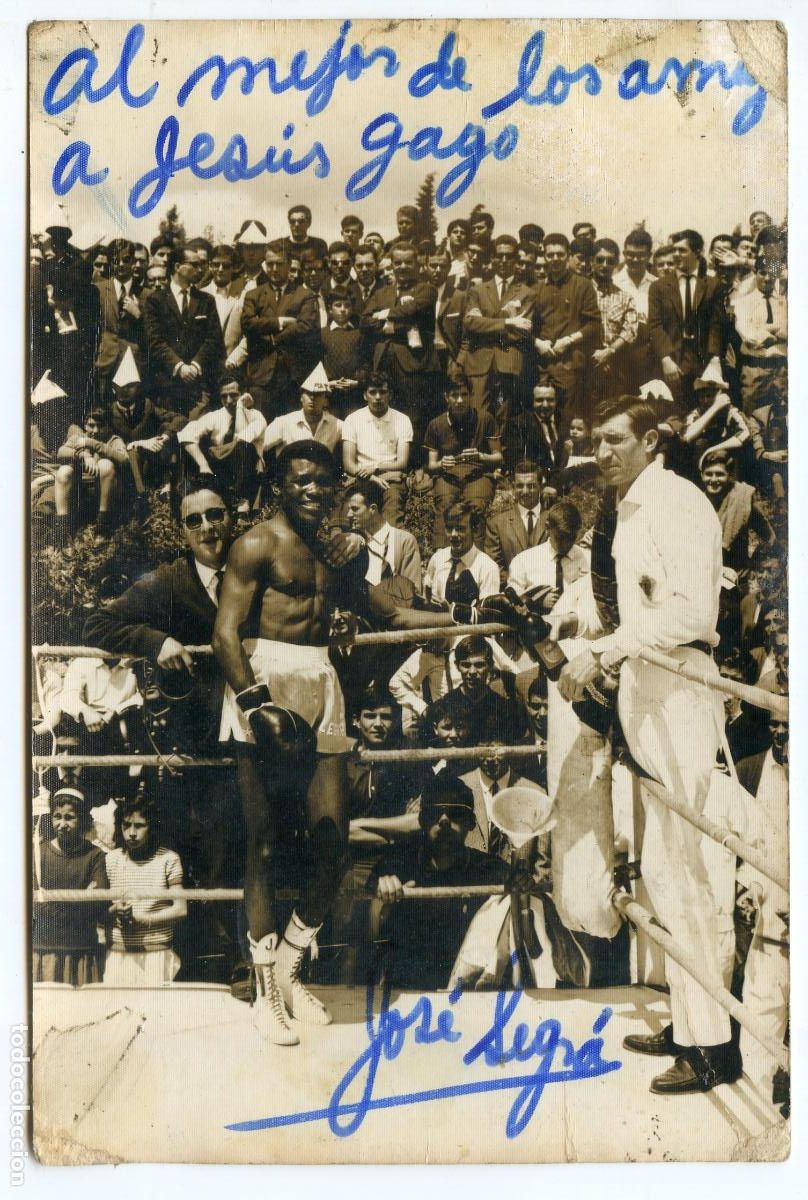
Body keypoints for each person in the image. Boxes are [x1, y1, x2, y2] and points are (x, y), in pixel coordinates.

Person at [554, 394, 740, 1094]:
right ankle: (690, 1021)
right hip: (646, 686)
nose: (601, 453)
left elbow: (692, 612)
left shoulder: (679, 502)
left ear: (651, 441)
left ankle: (713, 1043)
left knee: (690, 866)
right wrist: (599, 643)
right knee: (662, 868)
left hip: (680, 687)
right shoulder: (629, 507)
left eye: (614, 440)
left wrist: (605, 651)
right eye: (596, 441)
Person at [211, 440, 367, 1044]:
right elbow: (225, 634)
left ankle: (289, 967)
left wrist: (467, 616)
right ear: (280, 484)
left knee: (333, 842)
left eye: (322, 482)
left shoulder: (333, 549)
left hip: (321, 682)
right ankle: (265, 991)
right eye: (301, 480)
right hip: (263, 684)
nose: (312, 490)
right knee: (265, 844)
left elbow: (375, 610)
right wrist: (256, 705)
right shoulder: (255, 543)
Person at [367, 772, 506, 990]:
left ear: (471, 822)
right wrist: (382, 900)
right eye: (434, 813)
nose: (444, 821)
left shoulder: (491, 870)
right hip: (407, 992)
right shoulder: (396, 866)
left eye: (455, 813)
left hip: (467, 992)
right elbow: (370, 937)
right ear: (421, 820)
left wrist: (521, 885)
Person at [360, 243, 441, 454]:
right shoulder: (382, 293)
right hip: (383, 364)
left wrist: (384, 316)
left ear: (418, 263)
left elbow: (414, 310)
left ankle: (414, 465)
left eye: (408, 262)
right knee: (385, 416)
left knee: (413, 417)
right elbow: (365, 321)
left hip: (413, 364)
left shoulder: (427, 289)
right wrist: (398, 324)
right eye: (398, 262)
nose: (402, 266)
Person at [104, 793, 187, 986]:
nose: (132, 833)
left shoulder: (168, 859)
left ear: (153, 826)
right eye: (126, 825)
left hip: (156, 952)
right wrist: (115, 910)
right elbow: (101, 910)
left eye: (139, 826)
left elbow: (181, 909)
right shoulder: (111, 859)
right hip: (118, 952)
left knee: (154, 1004)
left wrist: (144, 919)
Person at [33, 786, 108, 986]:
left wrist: (51, 901)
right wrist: (81, 898)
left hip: (81, 949)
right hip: (45, 949)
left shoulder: (95, 856)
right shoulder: (38, 854)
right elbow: (35, 904)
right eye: (57, 817)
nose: (62, 824)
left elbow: (98, 903)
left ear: (82, 820)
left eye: (70, 817)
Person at [458, 234, 536, 415]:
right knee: (477, 415)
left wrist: (484, 323)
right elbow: (470, 323)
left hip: (508, 364)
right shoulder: (477, 290)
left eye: (509, 256)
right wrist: (508, 321)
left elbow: (522, 331)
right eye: (500, 255)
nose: (504, 260)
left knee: (503, 418)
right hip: (480, 362)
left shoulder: (527, 293)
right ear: (492, 258)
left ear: (516, 260)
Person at [648, 229, 724, 411]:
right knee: (672, 412)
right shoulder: (659, 287)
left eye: (682, 250)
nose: (676, 254)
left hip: (703, 361)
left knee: (704, 413)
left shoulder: (713, 285)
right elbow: (655, 325)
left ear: (697, 252)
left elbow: (716, 324)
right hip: (672, 360)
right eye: (674, 250)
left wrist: (714, 358)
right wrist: (665, 358)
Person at [143, 244, 224, 416]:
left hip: (199, 384)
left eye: (201, 264)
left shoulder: (206, 300)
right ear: (178, 267)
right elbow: (155, 341)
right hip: (167, 386)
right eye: (194, 264)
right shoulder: (154, 301)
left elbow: (213, 338)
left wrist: (195, 365)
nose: (200, 269)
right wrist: (179, 367)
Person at [241, 247, 319, 420]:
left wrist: (272, 337)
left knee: (292, 429)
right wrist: (280, 322)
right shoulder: (254, 295)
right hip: (261, 377)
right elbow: (247, 324)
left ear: (289, 265)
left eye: (279, 264)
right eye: (270, 264)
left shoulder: (304, 295)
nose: (274, 269)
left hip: (293, 377)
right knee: (260, 428)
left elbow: (305, 326)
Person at [424, 373, 502, 545]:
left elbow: (498, 457)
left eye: (464, 394)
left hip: (478, 475)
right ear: (446, 397)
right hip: (448, 475)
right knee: (445, 503)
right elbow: (431, 465)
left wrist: (481, 456)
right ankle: (442, 554)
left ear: (471, 395)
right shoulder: (436, 424)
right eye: (454, 395)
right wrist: (441, 464)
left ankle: (476, 554)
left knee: (476, 504)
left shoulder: (485, 419)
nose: (460, 400)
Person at [533, 233, 603, 418]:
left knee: (567, 419)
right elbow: (529, 326)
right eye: (550, 255)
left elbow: (594, 324)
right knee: (542, 418)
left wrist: (568, 340)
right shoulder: (537, 288)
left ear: (568, 255)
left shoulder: (583, 285)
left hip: (570, 366)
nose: (555, 259)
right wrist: (538, 343)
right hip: (542, 366)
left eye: (560, 254)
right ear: (544, 256)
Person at [178, 375, 266, 512]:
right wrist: (203, 465)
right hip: (221, 471)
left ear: (243, 395)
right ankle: (191, 500)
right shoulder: (216, 416)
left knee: (244, 446)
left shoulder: (256, 416)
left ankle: (241, 501)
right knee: (189, 447)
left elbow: (242, 438)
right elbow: (186, 434)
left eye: (233, 395)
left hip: (248, 473)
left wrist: (240, 407)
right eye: (224, 396)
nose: (228, 401)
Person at [341, 372, 413, 525]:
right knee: (350, 510)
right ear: (364, 395)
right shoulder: (352, 419)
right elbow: (348, 464)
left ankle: (390, 537)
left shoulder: (402, 420)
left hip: (390, 477)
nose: (378, 397)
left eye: (383, 392)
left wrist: (376, 468)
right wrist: (369, 477)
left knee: (393, 504)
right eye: (372, 392)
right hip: (361, 477)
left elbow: (402, 462)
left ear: (390, 394)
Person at [53, 407, 128, 539]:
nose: (96, 430)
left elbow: (124, 459)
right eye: (91, 425)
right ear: (85, 425)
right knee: (63, 471)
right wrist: (82, 454)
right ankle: (63, 531)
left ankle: (103, 526)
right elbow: (61, 452)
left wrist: (93, 444)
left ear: (109, 427)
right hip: (79, 492)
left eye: (101, 426)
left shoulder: (113, 440)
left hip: (104, 493)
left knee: (105, 465)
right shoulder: (79, 437)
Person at [699, 448, 775, 577]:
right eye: (709, 474)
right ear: (702, 475)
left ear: (729, 476)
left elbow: (768, 535)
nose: (713, 479)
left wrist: (756, 561)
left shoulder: (741, 498)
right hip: (704, 574)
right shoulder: (696, 501)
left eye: (720, 474)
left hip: (736, 576)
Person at [731, 254, 787, 415]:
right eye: (763, 272)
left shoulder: (784, 302)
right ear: (755, 272)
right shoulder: (744, 302)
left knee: (782, 418)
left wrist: (764, 329)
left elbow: (790, 330)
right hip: (755, 368)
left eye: (771, 273)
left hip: (781, 368)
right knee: (751, 416)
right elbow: (749, 336)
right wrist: (776, 332)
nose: (767, 278)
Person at [344, 477, 422, 591]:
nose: (349, 515)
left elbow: (412, 591)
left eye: (355, 509)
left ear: (373, 509)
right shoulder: (352, 542)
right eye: (349, 509)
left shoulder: (405, 541)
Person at [508, 499, 589, 600]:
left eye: (572, 538)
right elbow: (512, 602)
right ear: (547, 528)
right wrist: (536, 602)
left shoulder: (588, 560)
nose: (566, 544)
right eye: (560, 538)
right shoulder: (523, 561)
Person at [263, 367, 343, 466]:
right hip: (290, 474)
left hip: (321, 474)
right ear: (301, 397)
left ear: (325, 399)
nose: (312, 398)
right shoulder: (284, 422)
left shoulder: (337, 425)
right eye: (308, 393)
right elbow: (259, 445)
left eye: (317, 394)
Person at [484, 460, 548, 583]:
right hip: (512, 589)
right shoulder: (497, 523)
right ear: (513, 487)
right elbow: (494, 567)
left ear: (541, 487)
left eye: (531, 486)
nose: (525, 491)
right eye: (519, 486)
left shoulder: (552, 519)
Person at [424, 502, 499, 604]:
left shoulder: (488, 568)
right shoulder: (437, 559)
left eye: (460, 529)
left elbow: (487, 611)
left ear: (474, 530)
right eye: (449, 528)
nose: (453, 534)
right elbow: (426, 598)